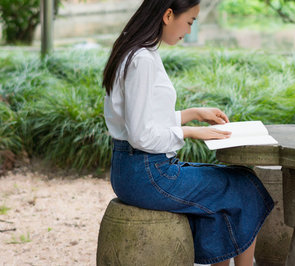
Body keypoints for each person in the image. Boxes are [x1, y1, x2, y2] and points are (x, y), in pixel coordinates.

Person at [102, 1, 274, 265]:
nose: (190, 31)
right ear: (168, 15)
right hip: (146, 173)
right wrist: (192, 131)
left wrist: (192, 112)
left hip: (136, 168)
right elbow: (141, 135)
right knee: (244, 184)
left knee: (228, 191)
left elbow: (144, 121)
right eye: (190, 21)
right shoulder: (142, 60)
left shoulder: (134, 52)